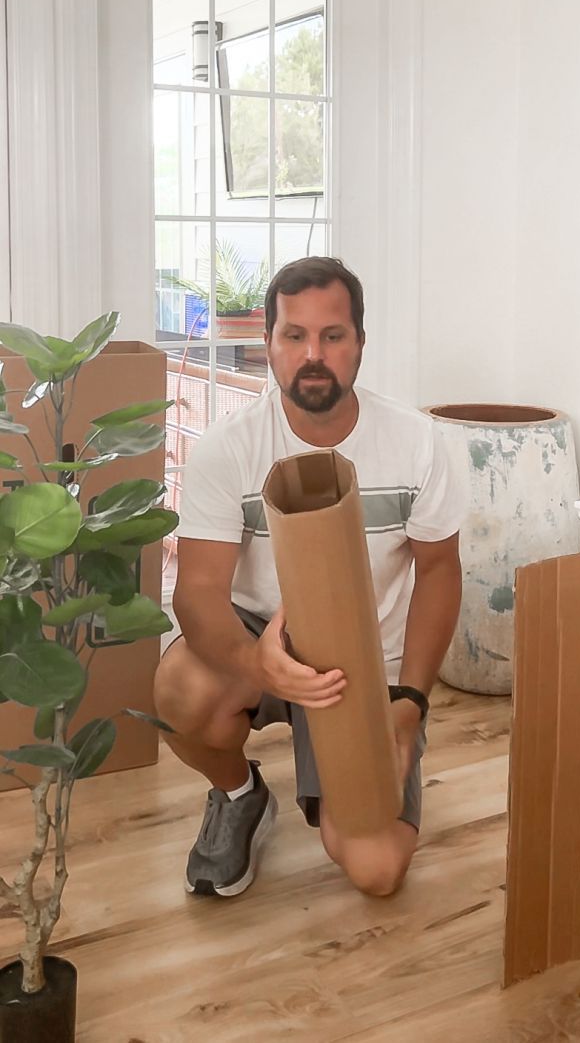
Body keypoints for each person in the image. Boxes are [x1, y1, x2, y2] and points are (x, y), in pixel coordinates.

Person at [154, 256, 465, 900]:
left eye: (333, 335)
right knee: (182, 690)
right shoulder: (228, 449)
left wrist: (408, 705)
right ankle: (240, 794)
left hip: (365, 663)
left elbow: (438, 573)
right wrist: (258, 663)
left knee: (378, 872)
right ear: (268, 344)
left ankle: (356, 768)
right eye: (294, 336)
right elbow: (198, 593)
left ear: (360, 343)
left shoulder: (418, 443)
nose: (313, 354)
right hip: (261, 640)